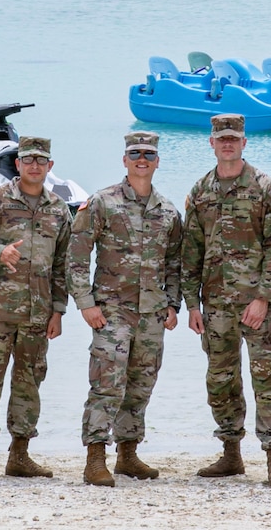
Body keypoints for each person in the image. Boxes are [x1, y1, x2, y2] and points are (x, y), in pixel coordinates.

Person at [182, 113, 271, 487]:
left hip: (256, 306)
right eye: (221, 138)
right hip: (215, 307)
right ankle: (231, 454)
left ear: (244, 143)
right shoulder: (200, 192)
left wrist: (264, 298)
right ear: (212, 143)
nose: (228, 144)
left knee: (264, 378)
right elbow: (191, 251)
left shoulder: (266, 189)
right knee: (220, 380)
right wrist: (192, 305)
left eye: (234, 138)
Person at [68, 130, 184, 487]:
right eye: (135, 153)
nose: (142, 160)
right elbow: (75, 257)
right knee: (107, 385)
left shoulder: (167, 211)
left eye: (148, 154)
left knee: (140, 385)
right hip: (112, 311)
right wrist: (85, 303)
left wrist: (173, 303)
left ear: (157, 161)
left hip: (152, 313)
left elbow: (175, 263)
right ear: (124, 160)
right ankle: (95, 459)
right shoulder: (102, 202)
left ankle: (128, 455)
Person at [0, 135, 72, 480]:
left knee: (29, 384)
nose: (35, 166)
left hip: (38, 315)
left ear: (49, 166)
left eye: (41, 161)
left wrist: (58, 310)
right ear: (18, 164)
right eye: (28, 160)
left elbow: (61, 265)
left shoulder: (58, 209)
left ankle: (20, 455)